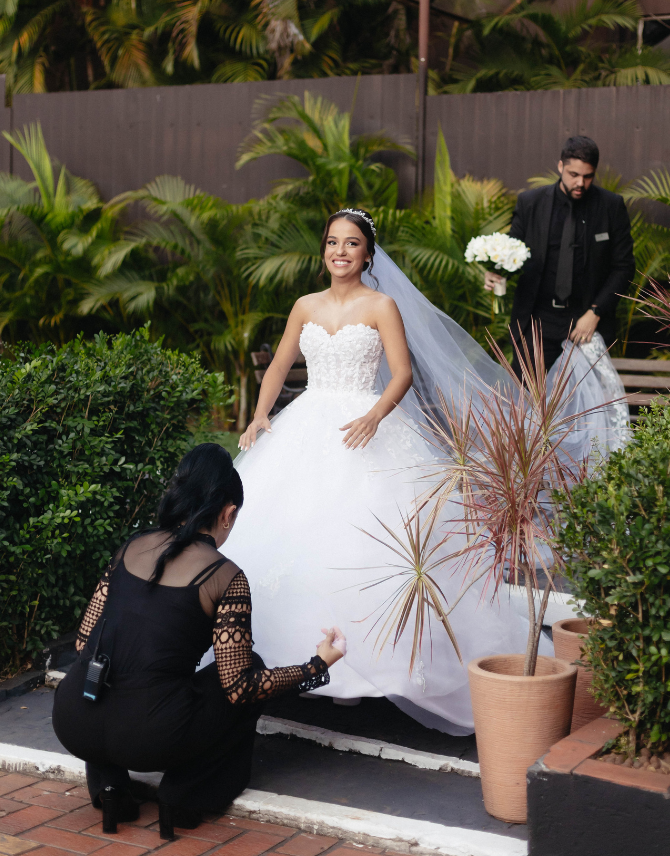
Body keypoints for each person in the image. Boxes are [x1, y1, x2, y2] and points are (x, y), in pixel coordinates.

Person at [211, 208, 588, 737]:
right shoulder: (304, 305)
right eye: (332, 242)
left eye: (351, 244)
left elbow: (403, 372)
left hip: (367, 427)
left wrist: (374, 414)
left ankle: (369, 667)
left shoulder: (381, 304)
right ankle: (298, 659)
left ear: (368, 254)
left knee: (369, 541)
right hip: (307, 424)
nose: (340, 251)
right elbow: (278, 366)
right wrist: (258, 416)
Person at [52, 444, 345, 837]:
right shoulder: (225, 576)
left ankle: (110, 788)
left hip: (74, 718)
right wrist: (316, 666)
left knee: (115, 670)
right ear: (227, 513)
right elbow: (240, 689)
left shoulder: (131, 548)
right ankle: (184, 796)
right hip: (150, 737)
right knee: (248, 668)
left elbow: (84, 638)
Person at [485, 136, 635, 376]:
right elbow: (512, 253)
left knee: (583, 406)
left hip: (585, 322)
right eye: (573, 174)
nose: (580, 183)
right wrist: (495, 273)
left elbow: (624, 268)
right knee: (525, 400)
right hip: (537, 321)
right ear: (560, 166)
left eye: (587, 176)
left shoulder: (611, 206)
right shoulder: (530, 202)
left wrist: (595, 312)